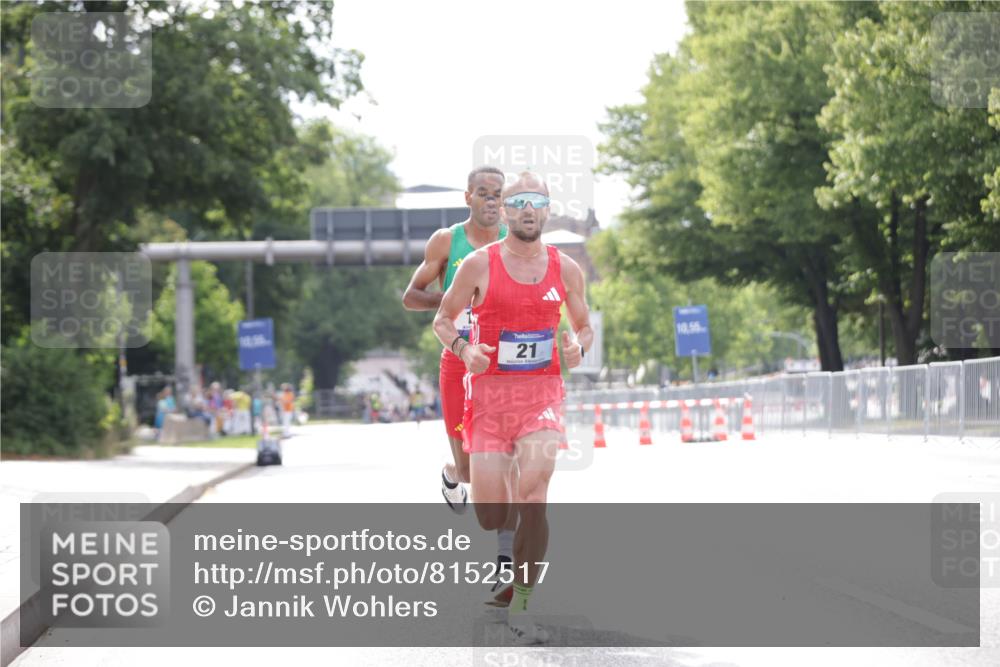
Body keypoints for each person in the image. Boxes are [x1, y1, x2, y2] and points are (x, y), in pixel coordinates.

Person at [433, 171, 593, 644]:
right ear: (504, 211)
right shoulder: (478, 265)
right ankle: (479, 503)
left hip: (541, 397)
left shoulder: (567, 268)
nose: (527, 209)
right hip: (487, 399)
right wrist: (465, 350)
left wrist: (577, 347)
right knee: (492, 514)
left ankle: (522, 602)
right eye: (517, 201)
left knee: (535, 495)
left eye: (536, 202)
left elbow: (584, 326)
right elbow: (443, 320)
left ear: (546, 210)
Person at [403, 166, 517, 581]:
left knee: (507, 459)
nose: (491, 201)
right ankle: (452, 475)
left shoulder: (515, 242)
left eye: (498, 194)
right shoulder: (445, 242)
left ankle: (506, 556)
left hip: (503, 363)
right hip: (458, 359)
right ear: (467, 197)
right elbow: (410, 296)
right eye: (483, 193)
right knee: (471, 470)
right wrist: (456, 296)